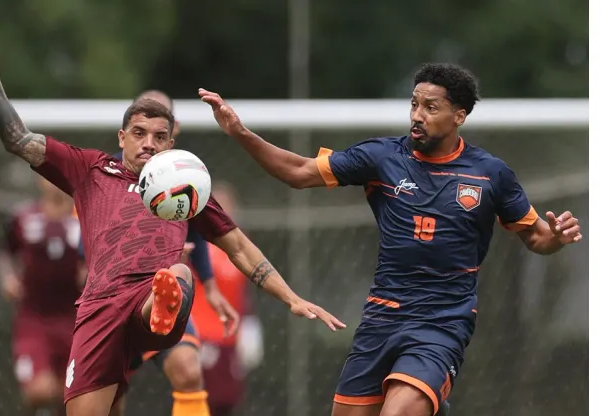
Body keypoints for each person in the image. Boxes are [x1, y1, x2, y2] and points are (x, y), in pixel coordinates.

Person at [0, 30, 346, 416]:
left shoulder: (187, 185)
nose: (149, 143)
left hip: (152, 300)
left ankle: (160, 307)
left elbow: (239, 246)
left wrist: (290, 297)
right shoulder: (91, 168)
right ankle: (159, 307)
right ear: (122, 137)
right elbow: (18, 139)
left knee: (178, 278)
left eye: (160, 137)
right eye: (139, 134)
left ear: (170, 144)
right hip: (98, 309)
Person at [198, 62, 583, 416]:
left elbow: (536, 237)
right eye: (414, 104)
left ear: (459, 115)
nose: (417, 115)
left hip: (442, 323)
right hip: (381, 319)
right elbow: (297, 172)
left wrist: (557, 237)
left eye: (431, 108)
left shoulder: (490, 174)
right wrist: (240, 132)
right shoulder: (382, 157)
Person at [97, 89, 239, 416]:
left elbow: (199, 231)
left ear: (173, 131)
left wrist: (212, 288)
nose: (149, 136)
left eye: (161, 124)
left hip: (162, 295)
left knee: (189, 370)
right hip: (113, 300)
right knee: (111, 399)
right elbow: (86, 239)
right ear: (126, 133)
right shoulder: (104, 174)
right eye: (141, 126)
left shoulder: (184, 176)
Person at [0, 177, 83, 416]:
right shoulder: (23, 217)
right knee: (41, 391)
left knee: (76, 397)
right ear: (39, 180)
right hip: (33, 319)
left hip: (75, 321)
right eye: (49, 175)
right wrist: (8, 278)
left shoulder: (86, 219)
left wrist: (89, 274)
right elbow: (6, 252)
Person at [191, 182, 265, 416]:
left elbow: (243, 289)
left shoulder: (241, 246)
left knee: (229, 400)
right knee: (202, 400)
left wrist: (250, 324)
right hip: (202, 336)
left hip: (230, 338)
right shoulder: (197, 244)